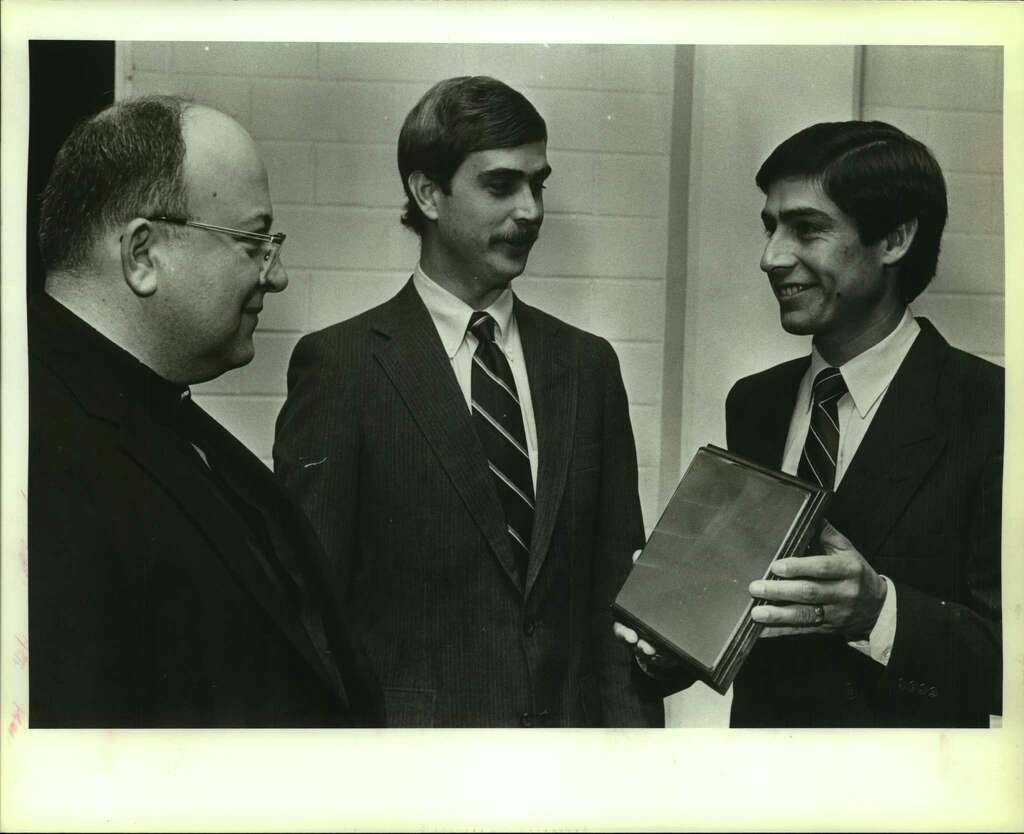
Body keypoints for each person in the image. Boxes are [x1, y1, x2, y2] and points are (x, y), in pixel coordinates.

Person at [273, 76, 662, 727]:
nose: (532, 210)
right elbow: (311, 615)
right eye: (501, 185)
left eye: (539, 184)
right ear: (428, 192)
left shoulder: (587, 364)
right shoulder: (341, 368)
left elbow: (614, 604)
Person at [619, 120, 1002, 728]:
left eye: (808, 229)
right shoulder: (754, 402)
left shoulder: (994, 411)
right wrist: (673, 636)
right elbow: (750, 611)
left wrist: (881, 611)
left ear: (896, 239)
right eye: (771, 227)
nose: (770, 257)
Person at [29, 95, 383, 728]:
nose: (277, 278)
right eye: (254, 243)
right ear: (142, 256)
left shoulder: (151, 409)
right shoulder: (35, 447)